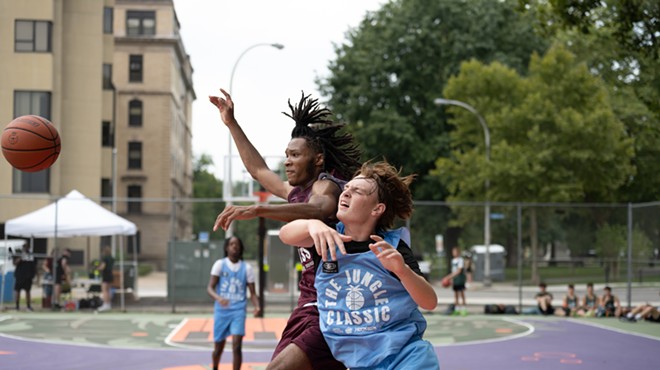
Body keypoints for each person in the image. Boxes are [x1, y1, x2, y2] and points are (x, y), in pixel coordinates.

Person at [209, 89, 361, 370]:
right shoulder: (296, 192)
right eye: (286, 155)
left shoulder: (326, 184)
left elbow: (319, 208)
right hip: (307, 305)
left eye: (295, 155)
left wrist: (256, 210)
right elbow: (259, 170)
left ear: (317, 159)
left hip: (330, 307)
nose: (288, 161)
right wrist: (231, 123)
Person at [279, 161, 440, 370]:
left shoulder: (391, 247)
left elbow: (430, 302)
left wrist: (403, 271)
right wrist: (311, 224)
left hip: (404, 357)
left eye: (357, 191)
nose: (346, 193)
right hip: (359, 363)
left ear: (377, 209)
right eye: (346, 188)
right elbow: (286, 235)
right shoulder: (327, 236)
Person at [207, 236, 261, 370]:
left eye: (237, 244)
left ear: (241, 248)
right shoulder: (220, 264)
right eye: (231, 244)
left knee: (237, 345)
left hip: (238, 310)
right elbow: (210, 288)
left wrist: (257, 306)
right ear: (226, 248)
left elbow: (252, 293)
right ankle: (215, 366)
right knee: (218, 347)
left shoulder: (247, 268)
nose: (234, 246)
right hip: (222, 311)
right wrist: (218, 298)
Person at [443, 246, 467, 316]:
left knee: (462, 293)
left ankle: (464, 308)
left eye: (455, 251)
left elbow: (459, 271)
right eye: (453, 252)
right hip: (455, 279)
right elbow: (453, 271)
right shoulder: (453, 260)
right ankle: (457, 309)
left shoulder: (460, 260)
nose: (454, 253)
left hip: (460, 278)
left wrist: (449, 277)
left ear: (458, 252)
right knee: (456, 294)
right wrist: (451, 279)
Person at [11, 244, 36, 311]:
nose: (26, 249)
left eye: (27, 247)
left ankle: (28, 306)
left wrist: (33, 275)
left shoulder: (31, 255)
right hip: (19, 276)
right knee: (17, 291)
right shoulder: (19, 254)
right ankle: (17, 306)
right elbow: (15, 263)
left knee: (28, 291)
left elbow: (34, 266)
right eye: (25, 247)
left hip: (28, 276)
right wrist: (21, 257)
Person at [96, 246, 114, 312]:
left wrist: (97, 268)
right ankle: (108, 304)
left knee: (104, 290)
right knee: (108, 290)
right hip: (110, 274)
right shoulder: (111, 258)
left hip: (106, 275)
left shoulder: (105, 258)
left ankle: (105, 304)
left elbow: (103, 267)